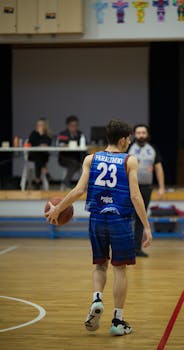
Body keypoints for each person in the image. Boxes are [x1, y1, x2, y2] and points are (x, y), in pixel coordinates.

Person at [45, 119, 152, 336]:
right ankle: (117, 321)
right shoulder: (129, 161)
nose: (130, 141)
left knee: (100, 265)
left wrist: (57, 210)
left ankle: (97, 299)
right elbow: (135, 195)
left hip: (96, 219)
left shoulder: (90, 159)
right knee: (120, 269)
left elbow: (77, 190)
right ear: (123, 140)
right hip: (119, 219)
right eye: (129, 137)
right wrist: (147, 226)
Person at [128, 124, 165, 257]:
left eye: (143, 132)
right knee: (127, 217)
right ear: (134, 134)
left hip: (146, 188)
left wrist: (161, 187)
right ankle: (125, 248)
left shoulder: (152, 149)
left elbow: (158, 168)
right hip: (129, 187)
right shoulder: (128, 148)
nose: (141, 135)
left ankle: (137, 249)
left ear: (147, 134)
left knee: (140, 218)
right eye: (138, 133)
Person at [57, 115, 87, 189]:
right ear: (68, 125)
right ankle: (66, 182)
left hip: (77, 158)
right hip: (64, 158)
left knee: (84, 164)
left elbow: (85, 144)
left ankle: (82, 186)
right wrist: (67, 145)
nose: (74, 127)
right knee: (74, 164)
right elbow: (60, 144)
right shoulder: (63, 134)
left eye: (76, 125)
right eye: (72, 125)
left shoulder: (80, 134)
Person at [28, 118, 52, 190]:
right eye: (38, 125)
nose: (39, 126)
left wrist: (42, 135)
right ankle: (46, 172)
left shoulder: (48, 134)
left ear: (44, 126)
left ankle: (37, 182)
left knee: (40, 158)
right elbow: (31, 143)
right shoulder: (33, 133)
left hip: (43, 156)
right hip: (33, 155)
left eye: (41, 125)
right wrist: (38, 135)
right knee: (38, 157)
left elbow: (48, 143)